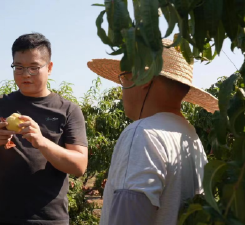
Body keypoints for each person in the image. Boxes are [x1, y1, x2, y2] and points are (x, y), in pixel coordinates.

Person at [87, 39, 219, 225]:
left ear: (143, 79)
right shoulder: (191, 138)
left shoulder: (143, 134)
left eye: (124, 76)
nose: (121, 88)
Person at [0, 32, 88, 225]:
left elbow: (79, 166)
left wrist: (41, 142)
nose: (25, 74)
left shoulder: (67, 110)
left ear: (49, 68)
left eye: (34, 67)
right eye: (19, 67)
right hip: (0, 217)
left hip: (50, 219)